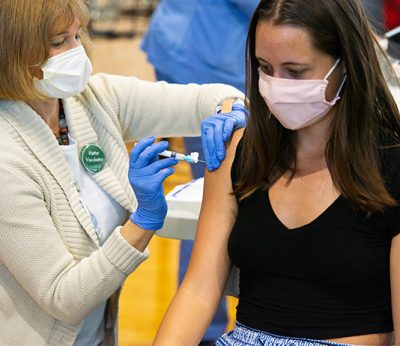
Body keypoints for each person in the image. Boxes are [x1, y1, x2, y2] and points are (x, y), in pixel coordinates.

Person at [153, 0, 400, 345]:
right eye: (264, 67)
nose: (275, 85)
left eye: (295, 72)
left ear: (344, 65)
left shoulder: (390, 166)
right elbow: (198, 289)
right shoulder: (238, 152)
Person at [0, 1, 247, 345]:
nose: (77, 52)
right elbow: (65, 298)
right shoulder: (6, 158)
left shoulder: (91, 100)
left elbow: (204, 99)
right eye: (60, 42)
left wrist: (231, 110)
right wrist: (142, 222)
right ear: (13, 51)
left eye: (78, 35)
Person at [141, 2, 258, 342]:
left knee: (213, 192)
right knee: (212, 196)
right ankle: (205, 331)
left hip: (193, 42)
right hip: (206, 56)